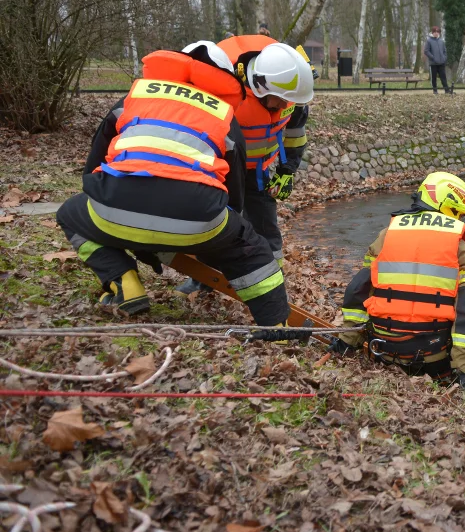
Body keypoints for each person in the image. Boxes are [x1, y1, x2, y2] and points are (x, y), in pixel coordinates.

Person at [55, 42, 291, 329]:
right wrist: (215, 241)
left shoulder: (133, 98)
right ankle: (277, 324)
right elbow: (234, 197)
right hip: (198, 218)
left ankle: (123, 283)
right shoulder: (224, 115)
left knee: (70, 214)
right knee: (250, 245)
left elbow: (92, 167)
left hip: (113, 209)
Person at [328, 172, 465, 389]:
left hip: (382, 349)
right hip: (432, 356)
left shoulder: (386, 235)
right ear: (446, 206)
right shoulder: (461, 250)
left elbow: (359, 290)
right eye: (459, 214)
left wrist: (347, 340)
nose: (459, 220)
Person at [208, 34, 314, 268]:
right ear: (260, 87)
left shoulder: (290, 91)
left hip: (259, 169)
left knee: (266, 221)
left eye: (289, 101)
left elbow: (295, 135)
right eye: (279, 100)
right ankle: (206, 276)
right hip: (222, 169)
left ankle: (273, 270)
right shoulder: (227, 95)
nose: (284, 106)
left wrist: (287, 170)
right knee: (219, 223)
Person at [424, 26, 450, 95]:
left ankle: (446, 90)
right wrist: (433, 57)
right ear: (432, 32)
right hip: (433, 63)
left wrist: (444, 58)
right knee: (434, 78)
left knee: (443, 77)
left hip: (441, 62)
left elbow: (444, 51)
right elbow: (426, 51)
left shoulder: (441, 41)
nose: (436, 33)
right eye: (435, 32)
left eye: (437, 32)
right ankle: (435, 90)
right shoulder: (429, 40)